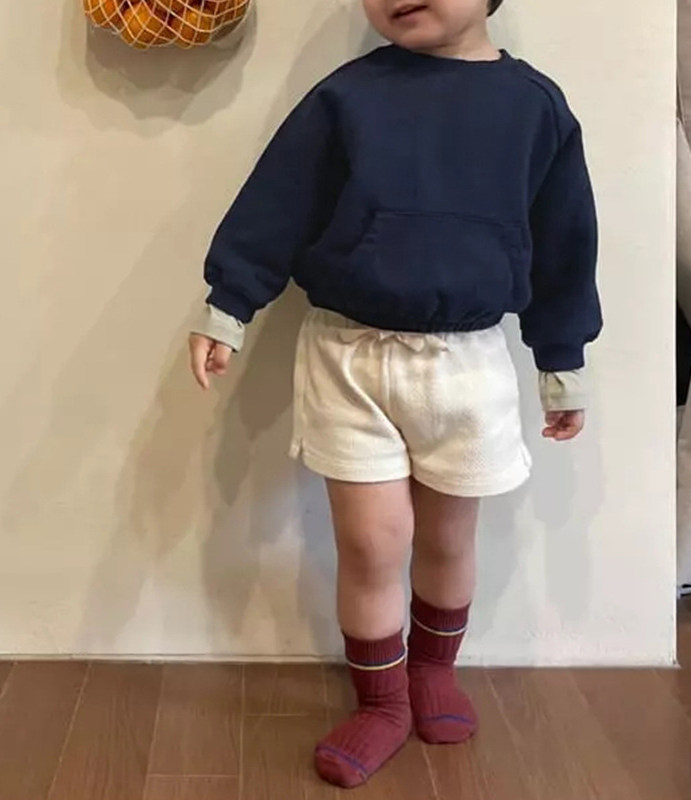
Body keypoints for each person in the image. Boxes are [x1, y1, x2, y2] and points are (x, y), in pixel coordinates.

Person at [189, 0, 601, 788]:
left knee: (447, 540)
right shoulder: (348, 98)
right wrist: (228, 306)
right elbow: (276, 205)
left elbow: (565, 244)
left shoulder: (535, 108)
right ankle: (381, 702)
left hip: (467, 364)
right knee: (372, 545)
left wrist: (562, 361)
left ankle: (433, 675)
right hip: (349, 358)